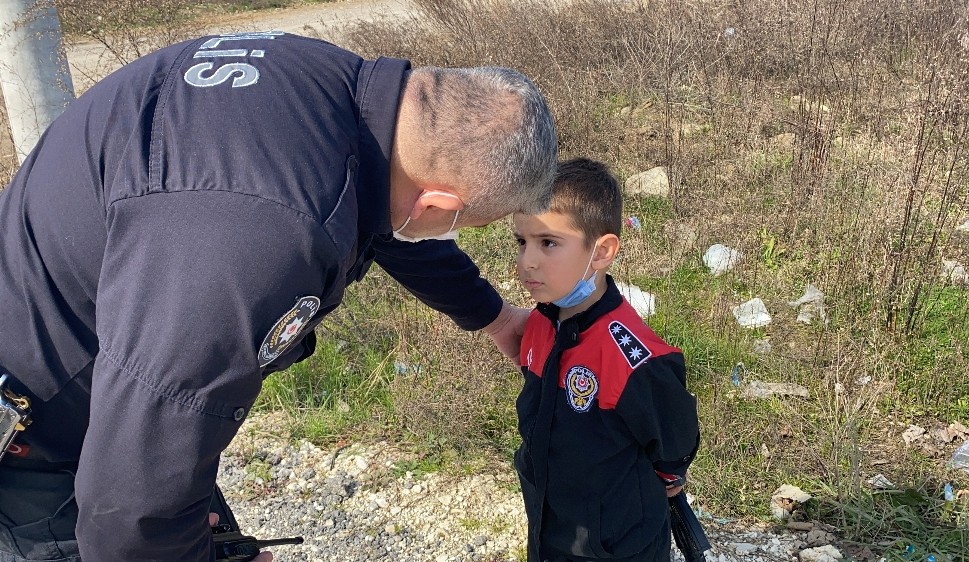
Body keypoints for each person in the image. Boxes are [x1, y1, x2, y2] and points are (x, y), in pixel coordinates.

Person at [0, 31, 557, 561]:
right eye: (459, 222)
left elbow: (376, 213)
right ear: (434, 205)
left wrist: (496, 317)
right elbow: (129, 504)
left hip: (116, 376)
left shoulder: (333, 92)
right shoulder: (255, 238)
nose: (442, 231)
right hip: (45, 443)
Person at [511, 158, 700, 562]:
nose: (528, 261)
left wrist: (670, 476)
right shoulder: (540, 324)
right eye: (521, 242)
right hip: (552, 521)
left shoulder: (632, 357)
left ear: (601, 252)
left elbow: (673, 435)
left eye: (548, 243)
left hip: (618, 539)